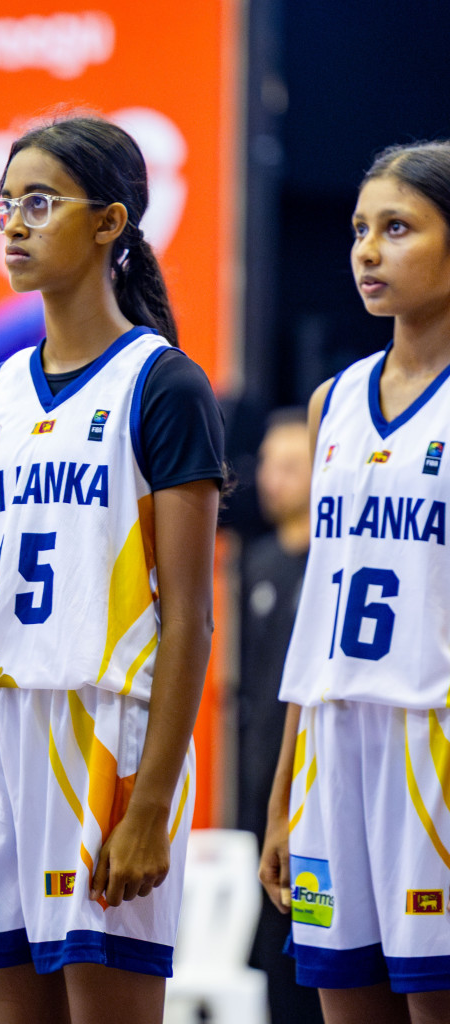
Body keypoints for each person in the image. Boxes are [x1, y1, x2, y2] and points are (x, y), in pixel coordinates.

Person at [0, 116, 224, 1024]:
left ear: (111, 222)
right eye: (6, 204)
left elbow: (190, 616)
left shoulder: (162, 385)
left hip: (102, 736)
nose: (13, 223)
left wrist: (152, 802)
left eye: (40, 203)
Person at [260, 141, 450, 1022]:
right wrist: (281, 793)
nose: (367, 251)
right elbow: (319, 615)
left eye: (399, 229)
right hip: (334, 741)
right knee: (345, 1000)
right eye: (359, 230)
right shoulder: (332, 401)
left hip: (433, 740)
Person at [236, 410, 324, 1024]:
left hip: (316, 785)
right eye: (268, 463)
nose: (271, 479)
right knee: (273, 964)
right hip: (261, 786)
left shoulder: (331, 564)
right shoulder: (257, 563)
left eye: (290, 467)